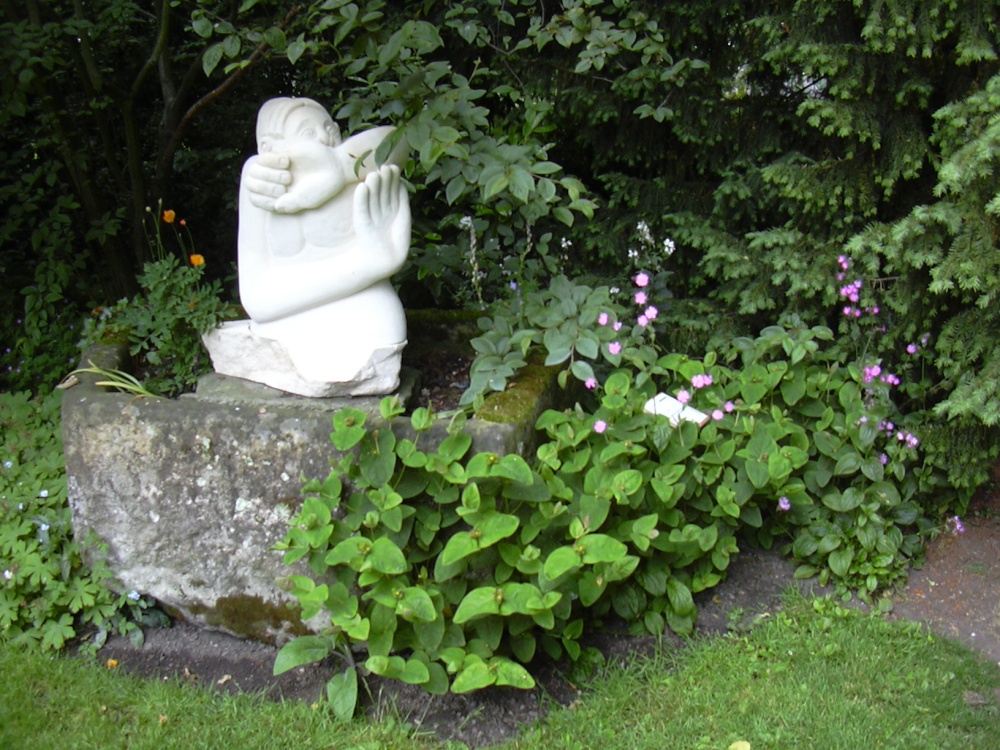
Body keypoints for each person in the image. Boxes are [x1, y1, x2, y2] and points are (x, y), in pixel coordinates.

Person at [235, 97, 410, 387]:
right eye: (308, 133)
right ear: (269, 148)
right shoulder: (261, 185)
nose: (327, 138)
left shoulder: (358, 175)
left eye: (330, 128)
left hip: (365, 313)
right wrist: (365, 267)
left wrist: (340, 167)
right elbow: (257, 299)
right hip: (286, 322)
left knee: (383, 329)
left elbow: (398, 140)